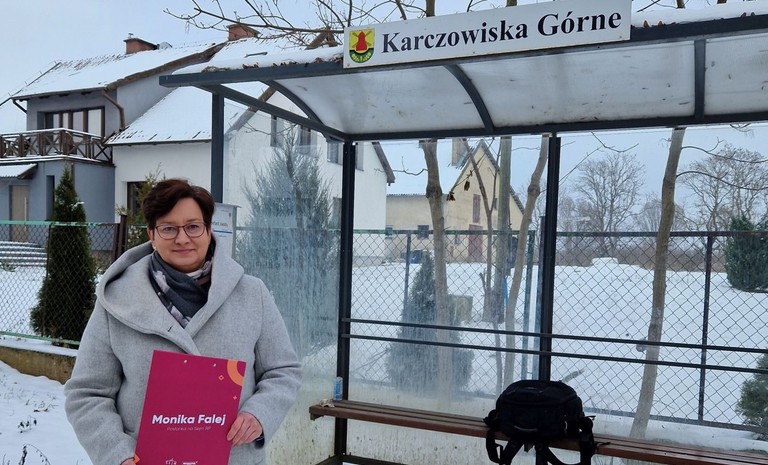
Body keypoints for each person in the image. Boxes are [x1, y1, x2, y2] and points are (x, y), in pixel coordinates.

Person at [64, 179, 302, 465]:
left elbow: (282, 371)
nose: (182, 238)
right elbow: (87, 394)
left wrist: (260, 414)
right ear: (152, 234)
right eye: (168, 228)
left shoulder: (252, 294)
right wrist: (118, 455)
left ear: (209, 230)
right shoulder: (117, 302)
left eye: (193, 226)